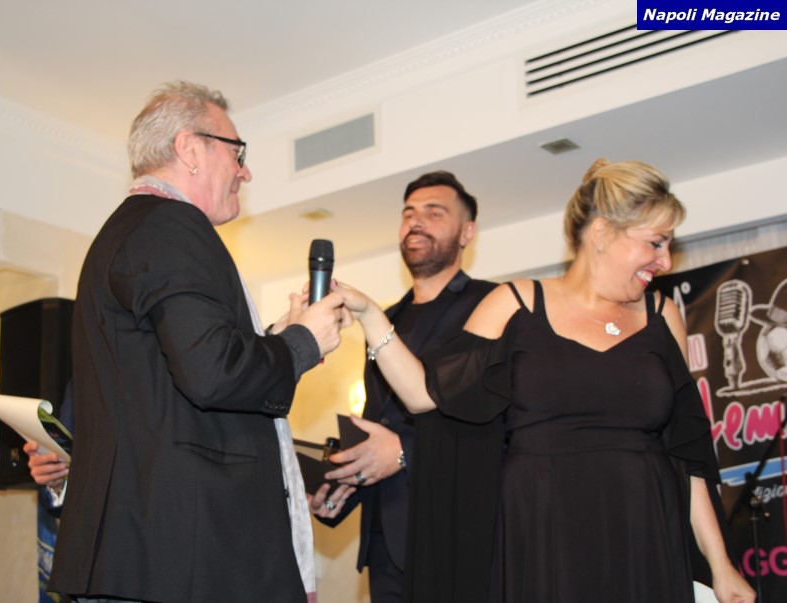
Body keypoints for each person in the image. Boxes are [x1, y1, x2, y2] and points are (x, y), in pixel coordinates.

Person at [334, 159, 756, 603]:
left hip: (645, 529)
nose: (665, 261)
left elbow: (687, 458)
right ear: (601, 233)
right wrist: (370, 315)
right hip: (541, 532)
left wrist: (722, 567)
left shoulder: (663, 315)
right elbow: (423, 394)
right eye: (655, 243)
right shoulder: (514, 304)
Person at [47, 80, 350, 603]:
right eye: (237, 153)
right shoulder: (172, 225)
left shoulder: (131, 230)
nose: (245, 172)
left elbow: (174, 384)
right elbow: (213, 374)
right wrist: (303, 342)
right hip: (180, 561)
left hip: (145, 557)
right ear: (190, 149)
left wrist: (278, 336)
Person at [306, 171, 495, 601]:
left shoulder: (490, 306)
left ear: (467, 232)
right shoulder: (387, 318)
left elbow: (491, 426)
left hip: (454, 537)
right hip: (384, 545)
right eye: (408, 213)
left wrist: (406, 451)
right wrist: (339, 491)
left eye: (434, 212)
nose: (416, 222)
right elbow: (379, 427)